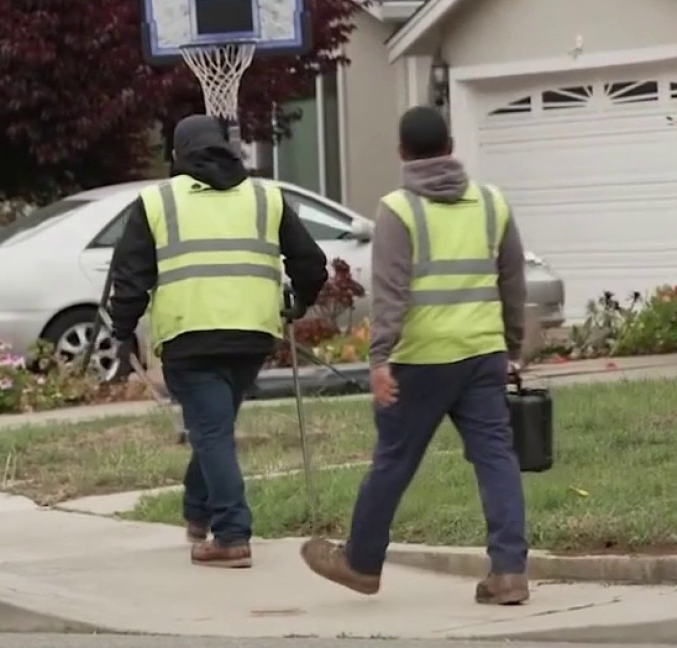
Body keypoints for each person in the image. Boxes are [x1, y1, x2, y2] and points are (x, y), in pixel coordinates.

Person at [300, 106, 531, 605]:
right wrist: (512, 348)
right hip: (482, 355)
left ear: (401, 152)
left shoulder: (398, 210)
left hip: (420, 361)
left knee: (394, 460)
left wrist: (379, 360)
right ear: (451, 147)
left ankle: (361, 563)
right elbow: (513, 281)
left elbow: (390, 292)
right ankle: (510, 571)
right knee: (496, 459)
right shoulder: (492, 203)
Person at [108, 114, 328, 567]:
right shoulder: (266, 197)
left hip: (188, 336)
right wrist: (300, 300)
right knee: (215, 428)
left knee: (210, 432)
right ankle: (197, 511)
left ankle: (231, 535)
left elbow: (130, 277)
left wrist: (123, 332)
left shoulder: (156, 202)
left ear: (176, 155)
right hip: (252, 336)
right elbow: (311, 262)